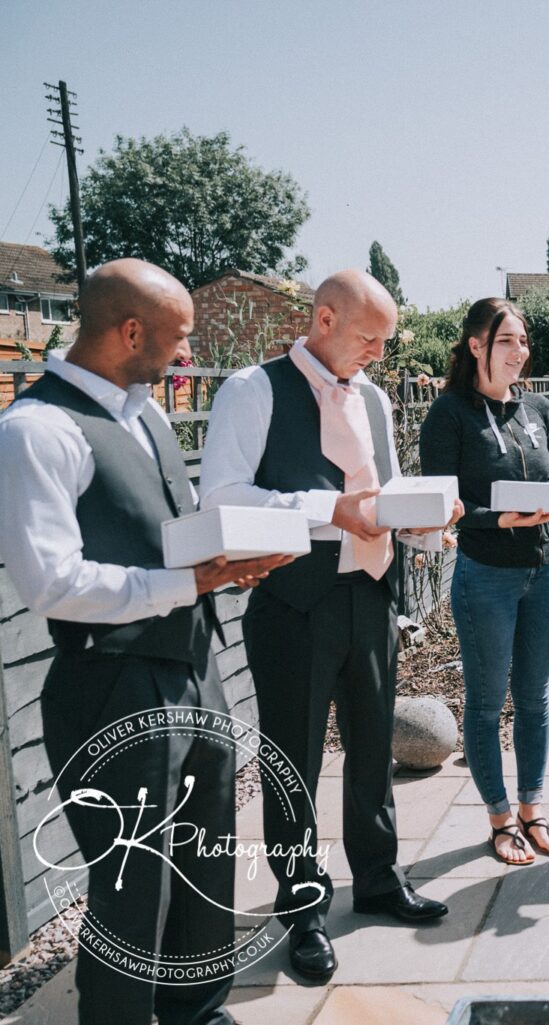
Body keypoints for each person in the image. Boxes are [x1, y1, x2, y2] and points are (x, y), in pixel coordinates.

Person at [0, 259, 291, 1025]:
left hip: (193, 664)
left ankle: (197, 1012)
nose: (188, 351)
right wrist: (186, 582)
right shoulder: (36, 430)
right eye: (179, 335)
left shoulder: (149, 416)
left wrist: (230, 558)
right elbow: (51, 581)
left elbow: (167, 534)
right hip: (111, 683)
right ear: (131, 332)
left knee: (205, 858)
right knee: (133, 890)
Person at [201, 269, 461, 980]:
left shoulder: (374, 397)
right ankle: (303, 910)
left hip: (371, 596)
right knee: (295, 764)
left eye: (385, 340)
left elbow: (383, 493)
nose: (379, 353)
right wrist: (327, 511)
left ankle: (377, 879)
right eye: (369, 338)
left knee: (374, 749)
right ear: (323, 320)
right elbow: (220, 497)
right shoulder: (252, 390)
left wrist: (427, 520)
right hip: (293, 604)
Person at [419, 298, 549, 865]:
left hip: (547, 569)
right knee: (486, 704)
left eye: (523, 341)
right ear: (477, 345)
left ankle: (533, 809)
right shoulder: (449, 414)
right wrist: (497, 519)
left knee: (534, 698)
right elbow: (441, 504)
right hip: (486, 576)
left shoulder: (539, 407)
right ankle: (500, 820)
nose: (520, 351)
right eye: (507, 341)